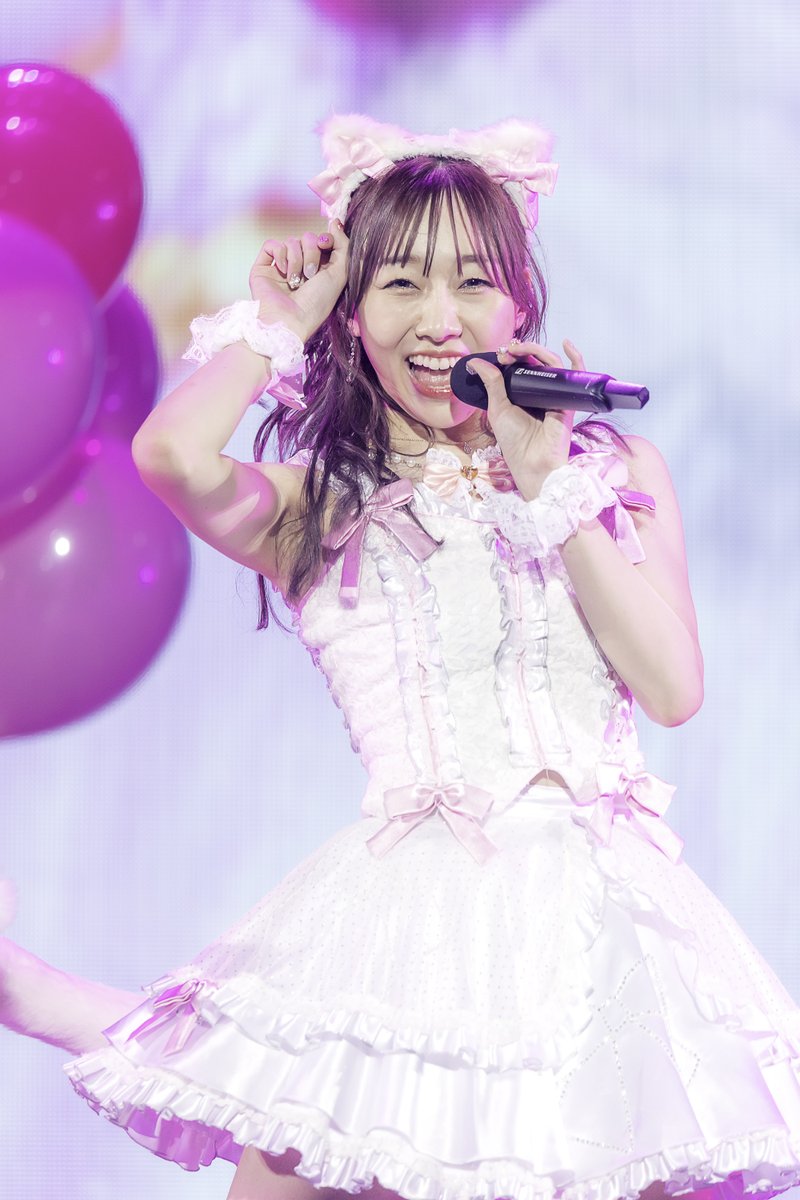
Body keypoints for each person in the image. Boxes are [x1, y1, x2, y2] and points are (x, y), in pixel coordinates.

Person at [3, 113, 800, 1200]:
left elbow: (671, 688)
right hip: (408, 922)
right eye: (401, 285)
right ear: (354, 315)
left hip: (611, 938)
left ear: (519, 304)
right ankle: (39, 997)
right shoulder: (323, 503)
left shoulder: (613, 470)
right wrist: (277, 322)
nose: (439, 319)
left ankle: (40, 997)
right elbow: (172, 457)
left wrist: (547, 482)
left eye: (473, 282)